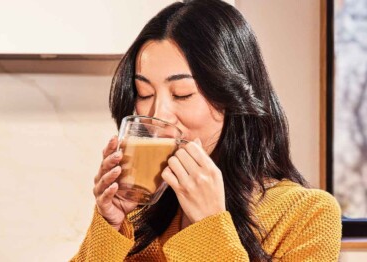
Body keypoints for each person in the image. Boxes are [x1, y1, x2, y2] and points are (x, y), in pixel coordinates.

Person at [71, 0, 342, 261]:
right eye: (144, 93)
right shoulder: (136, 214)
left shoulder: (307, 214)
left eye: (182, 94)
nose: (157, 115)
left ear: (232, 98)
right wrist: (110, 225)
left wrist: (209, 224)